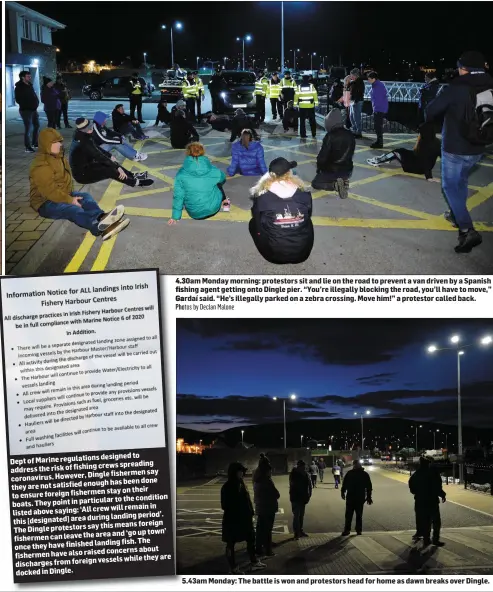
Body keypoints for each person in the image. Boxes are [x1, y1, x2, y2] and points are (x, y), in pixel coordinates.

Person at [426, 50, 493, 254]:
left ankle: (467, 229)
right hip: (479, 147)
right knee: (461, 181)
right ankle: (456, 215)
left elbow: (430, 111)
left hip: (455, 148)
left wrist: (440, 95)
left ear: (464, 69)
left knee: (449, 187)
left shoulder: (456, 87)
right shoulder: (490, 84)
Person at [30, 128, 130, 240]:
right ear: (46, 145)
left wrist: (70, 196)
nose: (59, 145)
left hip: (62, 194)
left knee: (85, 197)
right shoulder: (41, 167)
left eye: (60, 141)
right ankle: (97, 227)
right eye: (55, 142)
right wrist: (70, 200)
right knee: (72, 209)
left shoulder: (58, 157)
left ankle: (102, 218)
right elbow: (49, 192)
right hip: (45, 203)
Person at [249, 158, 314, 265]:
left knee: (253, 223)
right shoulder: (304, 194)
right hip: (303, 254)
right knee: (308, 221)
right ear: (289, 173)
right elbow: (309, 214)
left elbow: (257, 219)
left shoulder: (262, 197)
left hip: (273, 256)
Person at [70, 118, 154, 189]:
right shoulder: (83, 141)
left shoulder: (83, 135)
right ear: (85, 130)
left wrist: (110, 156)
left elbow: (97, 148)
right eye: (90, 128)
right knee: (110, 170)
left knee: (111, 162)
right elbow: (99, 156)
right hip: (82, 175)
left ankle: (132, 175)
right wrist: (117, 168)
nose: (92, 128)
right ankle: (136, 182)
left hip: (88, 164)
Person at [221, 462, 266, 574]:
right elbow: (225, 505)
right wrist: (241, 511)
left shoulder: (240, 483)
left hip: (244, 519)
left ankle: (254, 562)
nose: (243, 473)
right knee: (231, 544)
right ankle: (233, 568)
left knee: (251, 539)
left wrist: (250, 512)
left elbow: (246, 501)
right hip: (234, 520)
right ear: (234, 472)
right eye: (240, 471)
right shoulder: (229, 486)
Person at [168, 142, 228, 224]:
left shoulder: (181, 174)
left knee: (183, 191)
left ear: (188, 153)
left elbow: (178, 196)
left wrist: (175, 216)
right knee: (218, 183)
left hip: (195, 213)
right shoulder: (212, 169)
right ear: (202, 152)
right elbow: (223, 178)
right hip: (213, 209)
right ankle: (225, 201)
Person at [367, 121, 441, 180]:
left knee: (396, 152)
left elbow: (426, 161)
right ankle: (384, 158)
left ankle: (378, 161)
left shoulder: (425, 144)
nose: (418, 134)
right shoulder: (437, 142)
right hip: (419, 164)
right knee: (401, 151)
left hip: (416, 167)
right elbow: (441, 158)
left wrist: (429, 177)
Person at [311, 109, 355, 199]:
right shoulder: (350, 134)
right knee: (340, 174)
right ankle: (343, 181)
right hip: (347, 170)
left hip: (331, 170)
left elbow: (322, 158)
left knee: (315, 183)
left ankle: (335, 186)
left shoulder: (330, 136)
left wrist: (319, 169)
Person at [408, 456, 446, 546]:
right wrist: (442, 494)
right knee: (436, 521)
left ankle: (426, 539)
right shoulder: (433, 473)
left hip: (420, 500)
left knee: (425, 521)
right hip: (432, 500)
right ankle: (435, 539)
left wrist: (418, 493)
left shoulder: (416, 474)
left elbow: (412, 487)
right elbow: (437, 486)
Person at [253, 462, 280, 557]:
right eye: (270, 471)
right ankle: (268, 550)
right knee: (268, 530)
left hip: (260, 507)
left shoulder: (256, 480)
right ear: (267, 472)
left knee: (260, 529)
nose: (271, 472)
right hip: (268, 508)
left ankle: (258, 548)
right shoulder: (267, 481)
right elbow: (276, 494)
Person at [341, 459, 373, 536]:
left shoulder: (351, 473)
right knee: (357, 515)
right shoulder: (364, 474)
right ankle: (357, 530)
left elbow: (344, 484)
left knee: (350, 515)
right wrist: (368, 497)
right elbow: (369, 487)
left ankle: (349, 530)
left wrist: (343, 492)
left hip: (353, 497)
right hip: (358, 497)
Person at [15, 70, 40, 153]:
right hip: (25, 110)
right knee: (28, 128)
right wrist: (28, 104)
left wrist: (36, 103)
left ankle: (34, 143)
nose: (30, 77)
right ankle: (27, 147)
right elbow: (18, 99)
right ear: (23, 77)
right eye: (28, 76)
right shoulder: (19, 87)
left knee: (36, 125)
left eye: (30, 76)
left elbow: (33, 95)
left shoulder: (30, 85)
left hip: (33, 109)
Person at [289, 459, 312, 540]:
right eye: (302, 467)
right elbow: (293, 486)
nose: (303, 468)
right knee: (296, 515)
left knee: (301, 515)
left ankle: (300, 531)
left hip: (303, 498)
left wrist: (309, 495)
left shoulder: (306, 474)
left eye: (303, 467)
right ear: (298, 466)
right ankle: (296, 533)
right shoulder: (294, 474)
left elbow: (310, 485)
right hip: (296, 498)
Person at [367, 72, 388, 148]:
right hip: (378, 108)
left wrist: (375, 109)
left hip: (379, 109)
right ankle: (379, 141)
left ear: (373, 79)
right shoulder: (376, 85)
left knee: (378, 126)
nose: (368, 81)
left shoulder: (378, 86)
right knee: (377, 126)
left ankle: (379, 143)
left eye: (369, 79)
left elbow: (378, 99)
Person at [348, 68, 365, 138]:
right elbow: (349, 88)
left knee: (356, 116)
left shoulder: (359, 82)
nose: (350, 76)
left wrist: (355, 100)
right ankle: (354, 130)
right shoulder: (354, 82)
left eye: (351, 75)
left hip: (357, 101)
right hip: (353, 101)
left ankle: (358, 132)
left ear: (355, 75)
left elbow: (359, 92)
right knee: (352, 116)